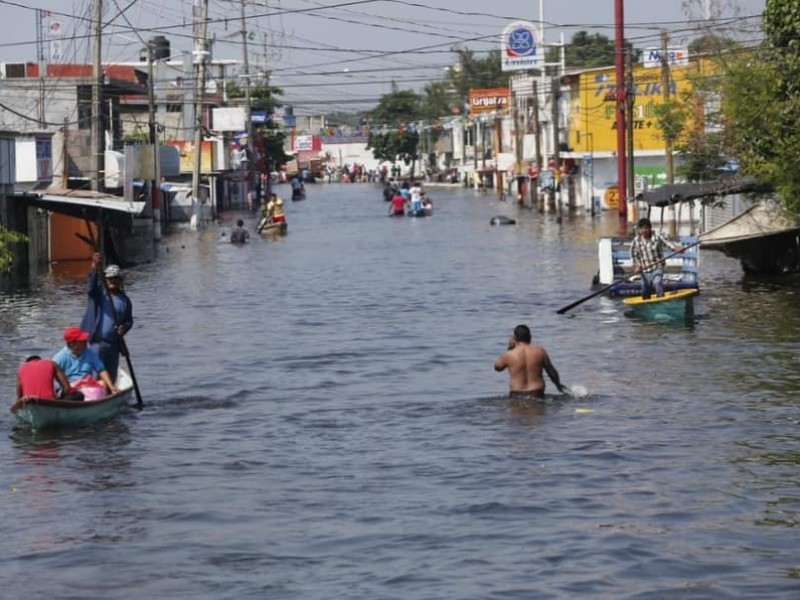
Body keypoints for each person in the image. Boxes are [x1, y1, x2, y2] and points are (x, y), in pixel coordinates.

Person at [80, 254, 133, 383]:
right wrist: (94, 266)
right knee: (97, 377)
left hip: (114, 345)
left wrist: (124, 328)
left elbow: (129, 321)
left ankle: (110, 395)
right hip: (97, 343)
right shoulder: (99, 296)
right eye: (110, 279)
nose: (112, 282)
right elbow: (90, 288)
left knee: (111, 377)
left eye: (115, 279)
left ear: (120, 281)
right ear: (105, 280)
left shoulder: (125, 300)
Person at [494, 324, 567, 399]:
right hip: (537, 394)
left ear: (515, 339)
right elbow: (551, 372)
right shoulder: (540, 352)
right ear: (530, 337)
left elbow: (497, 367)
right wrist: (558, 385)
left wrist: (509, 348)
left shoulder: (509, 354)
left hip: (516, 395)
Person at [53, 327, 117, 394]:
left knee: (102, 383)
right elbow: (50, 376)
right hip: (70, 389)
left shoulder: (90, 353)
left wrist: (111, 386)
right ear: (72, 344)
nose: (86, 341)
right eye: (82, 340)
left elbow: (101, 370)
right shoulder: (59, 358)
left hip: (87, 385)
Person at [630, 217, 681, 299]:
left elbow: (667, 243)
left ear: (650, 228)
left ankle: (661, 302)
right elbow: (633, 255)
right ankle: (646, 306)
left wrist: (676, 248)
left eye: (646, 228)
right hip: (644, 271)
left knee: (657, 283)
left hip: (657, 267)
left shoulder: (657, 237)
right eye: (642, 228)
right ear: (639, 230)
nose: (644, 231)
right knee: (644, 289)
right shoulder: (636, 241)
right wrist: (636, 266)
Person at [16, 355, 83, 402]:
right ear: (40, 360)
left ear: (27, 362)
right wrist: (61, 399)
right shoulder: (51, 363)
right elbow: (66, 387)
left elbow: (19, 395)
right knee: (79, 395)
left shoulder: (21, 368)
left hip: (28, 401)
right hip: (49, 401)